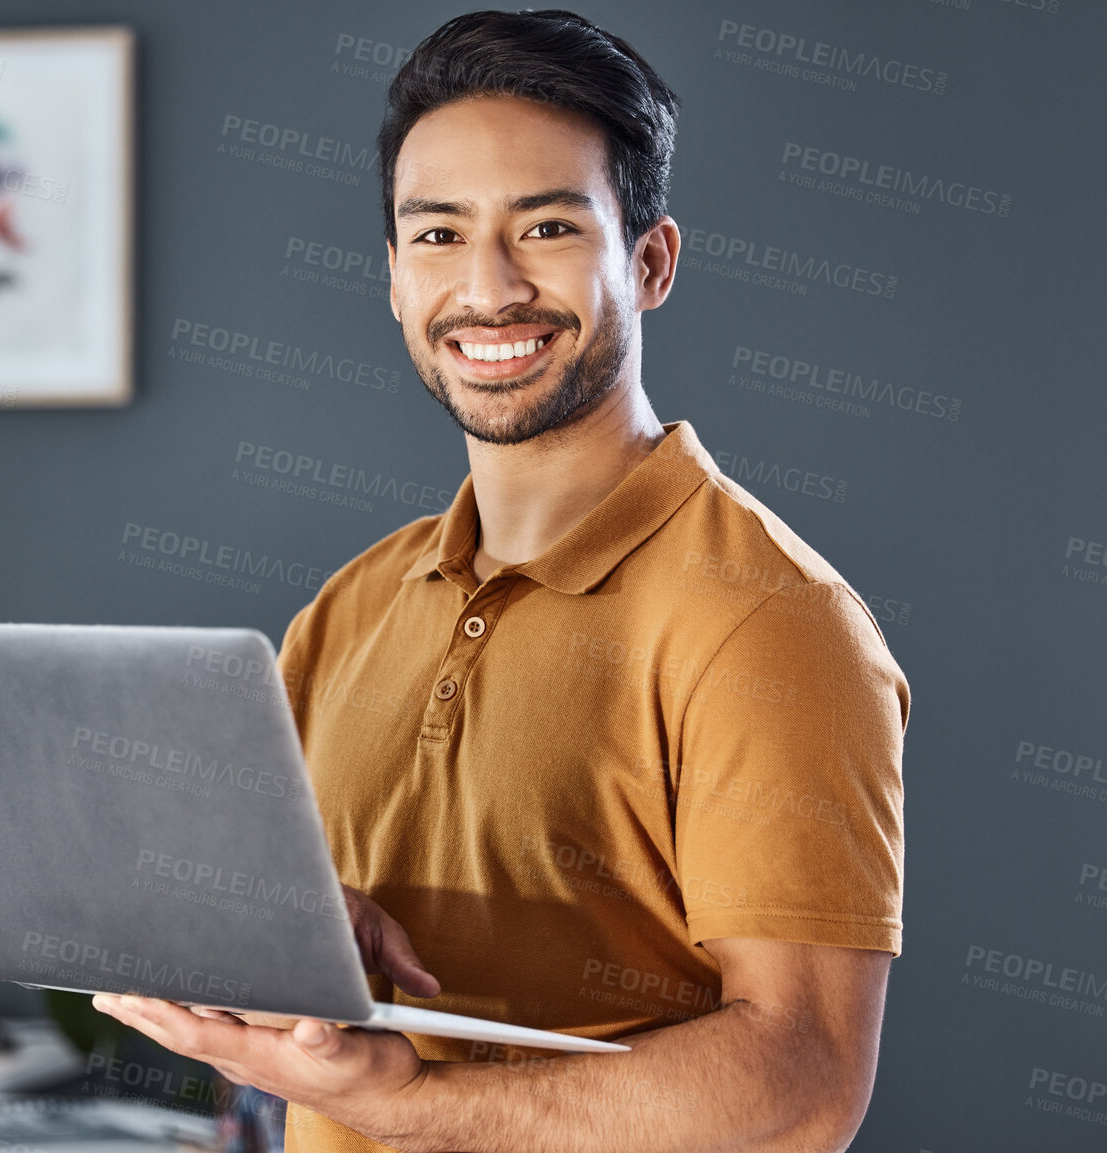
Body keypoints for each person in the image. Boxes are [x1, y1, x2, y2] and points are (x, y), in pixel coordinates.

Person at [96, 10, 909, 1152]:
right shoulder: (345, 612)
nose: (488, 287)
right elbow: (287, 989)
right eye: (437, 236)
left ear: (650, 262)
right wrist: (276, 949)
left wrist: (410, 1108)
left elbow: (802, 1080)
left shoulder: (771, 622)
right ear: (390, 277)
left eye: (546, 228)